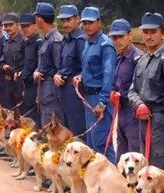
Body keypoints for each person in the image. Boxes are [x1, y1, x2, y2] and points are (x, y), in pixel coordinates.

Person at [128, 12, 164, 173]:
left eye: (153, 32)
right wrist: (139, 104)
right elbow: (132, 90)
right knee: (146, 163)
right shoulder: (142, 60)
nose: (149, 36)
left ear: (163, 34)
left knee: (163, 163)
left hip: (161, 118)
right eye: (146, 32)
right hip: (142, 117)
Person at [74, 7, 116, 164]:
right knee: (91, 144)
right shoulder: (87, 42)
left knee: (103, 144)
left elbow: (108, 75)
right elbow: (90, 69)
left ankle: (112, 183)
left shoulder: (106, 45)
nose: (87, 26)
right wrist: (80, 77)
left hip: (99, 98)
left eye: (90, 22)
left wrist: (102, 102)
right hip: (88, 98)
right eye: (84, 23)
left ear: (99, 22)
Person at [109, 19, 144, 158]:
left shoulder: (138, 59)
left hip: (134, 113)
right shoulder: (119, 58)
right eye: (114, 37)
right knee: (122, 155)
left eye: (120, 36)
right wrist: (113, 93)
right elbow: (115, 83)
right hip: (121, 111)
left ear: (130, 35)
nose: (117, 41)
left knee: (134, 156)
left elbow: (142, 89)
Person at [54, 5, 86, 137]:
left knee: (77, 129)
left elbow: (86, 66)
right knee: (65, 129)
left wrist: (80, 76)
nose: (65, 23)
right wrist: (56, 75)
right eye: (63, 20)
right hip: (63, 89)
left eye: (68, 20)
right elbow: (61, 65)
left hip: (75, 90)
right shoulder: (65, 40)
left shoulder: (81, 40)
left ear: (77, 19)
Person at [33, 2, 64, 126]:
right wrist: (36, 71)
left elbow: (60, 68)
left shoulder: (56, 40)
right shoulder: (46, 39)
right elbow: (44, 64)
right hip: (44, 91)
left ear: (40, 19)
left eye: (36, 18)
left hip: (52, 93)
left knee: (53, 130)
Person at [0, 13, 25, 112]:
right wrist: (3, 66)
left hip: (20, 82)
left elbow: (28, 62)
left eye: (10, 25)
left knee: (21, 110)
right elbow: (2, 60)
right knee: (10, 110)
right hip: (8, 82)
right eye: (6, 26)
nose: (8, 28)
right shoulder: (6, 42)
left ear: (18, 25)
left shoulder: (24, 41)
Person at [20, 13, 42, 124]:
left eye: (27, 26)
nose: (25, 29)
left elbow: (40, 63)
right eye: (23, 26)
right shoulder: (26, 43)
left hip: (35, 84)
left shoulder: (39, 42)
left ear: (35, 26)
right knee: (27, 113)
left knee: (34, 115)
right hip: (27, 84)